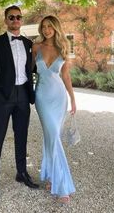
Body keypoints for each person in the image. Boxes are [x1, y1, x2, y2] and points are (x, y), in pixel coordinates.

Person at [0, 5, 39, 201]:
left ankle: (21, 172)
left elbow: (35, 68)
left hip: (23, 94)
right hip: (3, 96)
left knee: (21, 136)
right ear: (6, 20)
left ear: (21, 20)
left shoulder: (28, 43)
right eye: (12, 17)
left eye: (18, 17)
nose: (16, 20)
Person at [32, 15, 77, 204]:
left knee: (53, 137)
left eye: (50, 26)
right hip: (42, 97)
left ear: (56, 28)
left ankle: (51, 176)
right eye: (44, 27)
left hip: (59, 98)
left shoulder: (63, 48)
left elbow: (65, 76)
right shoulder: (36, 48)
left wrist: (73, 99)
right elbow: (26, 71)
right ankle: (63, 186)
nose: (46, 30)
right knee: (53, 136)